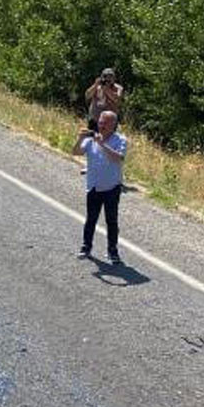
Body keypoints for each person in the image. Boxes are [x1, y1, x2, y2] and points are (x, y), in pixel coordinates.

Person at [72, 110, 127, 264]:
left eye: (105, 122)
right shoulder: (91, 139)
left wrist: (102, 144)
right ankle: (86, 246)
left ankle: (112, 251)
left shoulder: (120, 140)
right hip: (94, 186)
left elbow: (119, 158)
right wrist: (80, 139)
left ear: (114, 125)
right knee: (91, 219)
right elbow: (75, 152)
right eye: (100, 121)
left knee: (111, 220)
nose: (101, 125)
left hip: (111, 187)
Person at [84, 67, 123, 131]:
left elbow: (116, 100)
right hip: (95, 119)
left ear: (114, 78)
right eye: (105, 76)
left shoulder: (118, 88)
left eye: (110, 77)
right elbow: (87, 95)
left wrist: (106, 89)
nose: (108, 79)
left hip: (110, 122)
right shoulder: (97, 87)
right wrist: (95, 85)